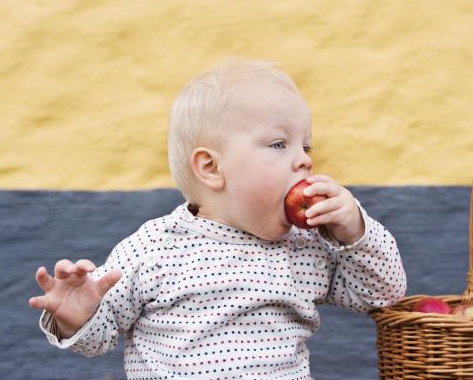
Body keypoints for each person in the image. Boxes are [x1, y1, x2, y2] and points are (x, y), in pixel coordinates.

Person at [29, 59, 407, 379]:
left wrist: (355, 229)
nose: (304, 159)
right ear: (211, 167)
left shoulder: (306, 248)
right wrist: (77, 317)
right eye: (279, 144)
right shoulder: (155, 247)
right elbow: (98, 339)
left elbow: (382, 294)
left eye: (305, 146)